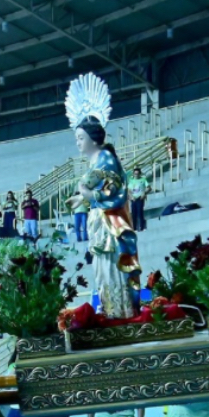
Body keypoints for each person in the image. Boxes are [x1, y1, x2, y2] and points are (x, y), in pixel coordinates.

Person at [73, 114, 140, 319]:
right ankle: (109, 306)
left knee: (111, 264)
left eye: (81, 138)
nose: (78, 143)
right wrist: (83, 199)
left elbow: (113, 190)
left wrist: (87, 194)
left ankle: (119, 310)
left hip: (111, 223)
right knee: (101, 267)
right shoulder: (96, 161)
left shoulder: (105, 158)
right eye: (76, 138)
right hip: (100, 220)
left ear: (93, 139)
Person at [127, 165, 150, 232]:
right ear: (133, 174)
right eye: (135, 174)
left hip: (140, 198)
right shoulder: (131, 180)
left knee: (140, 212)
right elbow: (128, 190)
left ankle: (142, 227)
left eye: (137, 173)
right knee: (134, 214)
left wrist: (144, 193)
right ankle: (134, 228)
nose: (136, 175)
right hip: (133, 199)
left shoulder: (143, 179)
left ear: (140, 173)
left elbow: (148, 188)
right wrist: (131, 196)